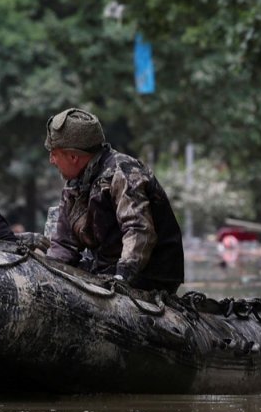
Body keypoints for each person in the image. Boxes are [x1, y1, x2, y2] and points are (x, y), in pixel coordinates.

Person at [43, 107, 184, 292]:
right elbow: (64, 243)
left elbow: (138, 229)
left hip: (148, 275)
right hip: (104, 269)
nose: (51, 160)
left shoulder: (123, 172)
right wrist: (48, 272)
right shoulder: (74, 184)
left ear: (73, 156)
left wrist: (121, 277)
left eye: (54, 153)